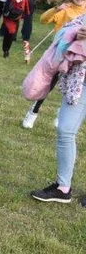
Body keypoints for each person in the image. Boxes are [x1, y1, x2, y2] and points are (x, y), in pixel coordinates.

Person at [27, 16, 86, 205]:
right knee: (65, 130)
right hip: (80, 82)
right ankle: (63, 188)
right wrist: (75, 33)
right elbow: (65, 30)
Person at [23, 0, 86, 128]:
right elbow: (43, 19)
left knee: (71, 87)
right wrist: (57, 9)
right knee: (49, 83)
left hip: (77, 57)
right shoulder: (66, 9)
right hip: (60, 54)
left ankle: (61, 115)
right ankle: (33, 111)